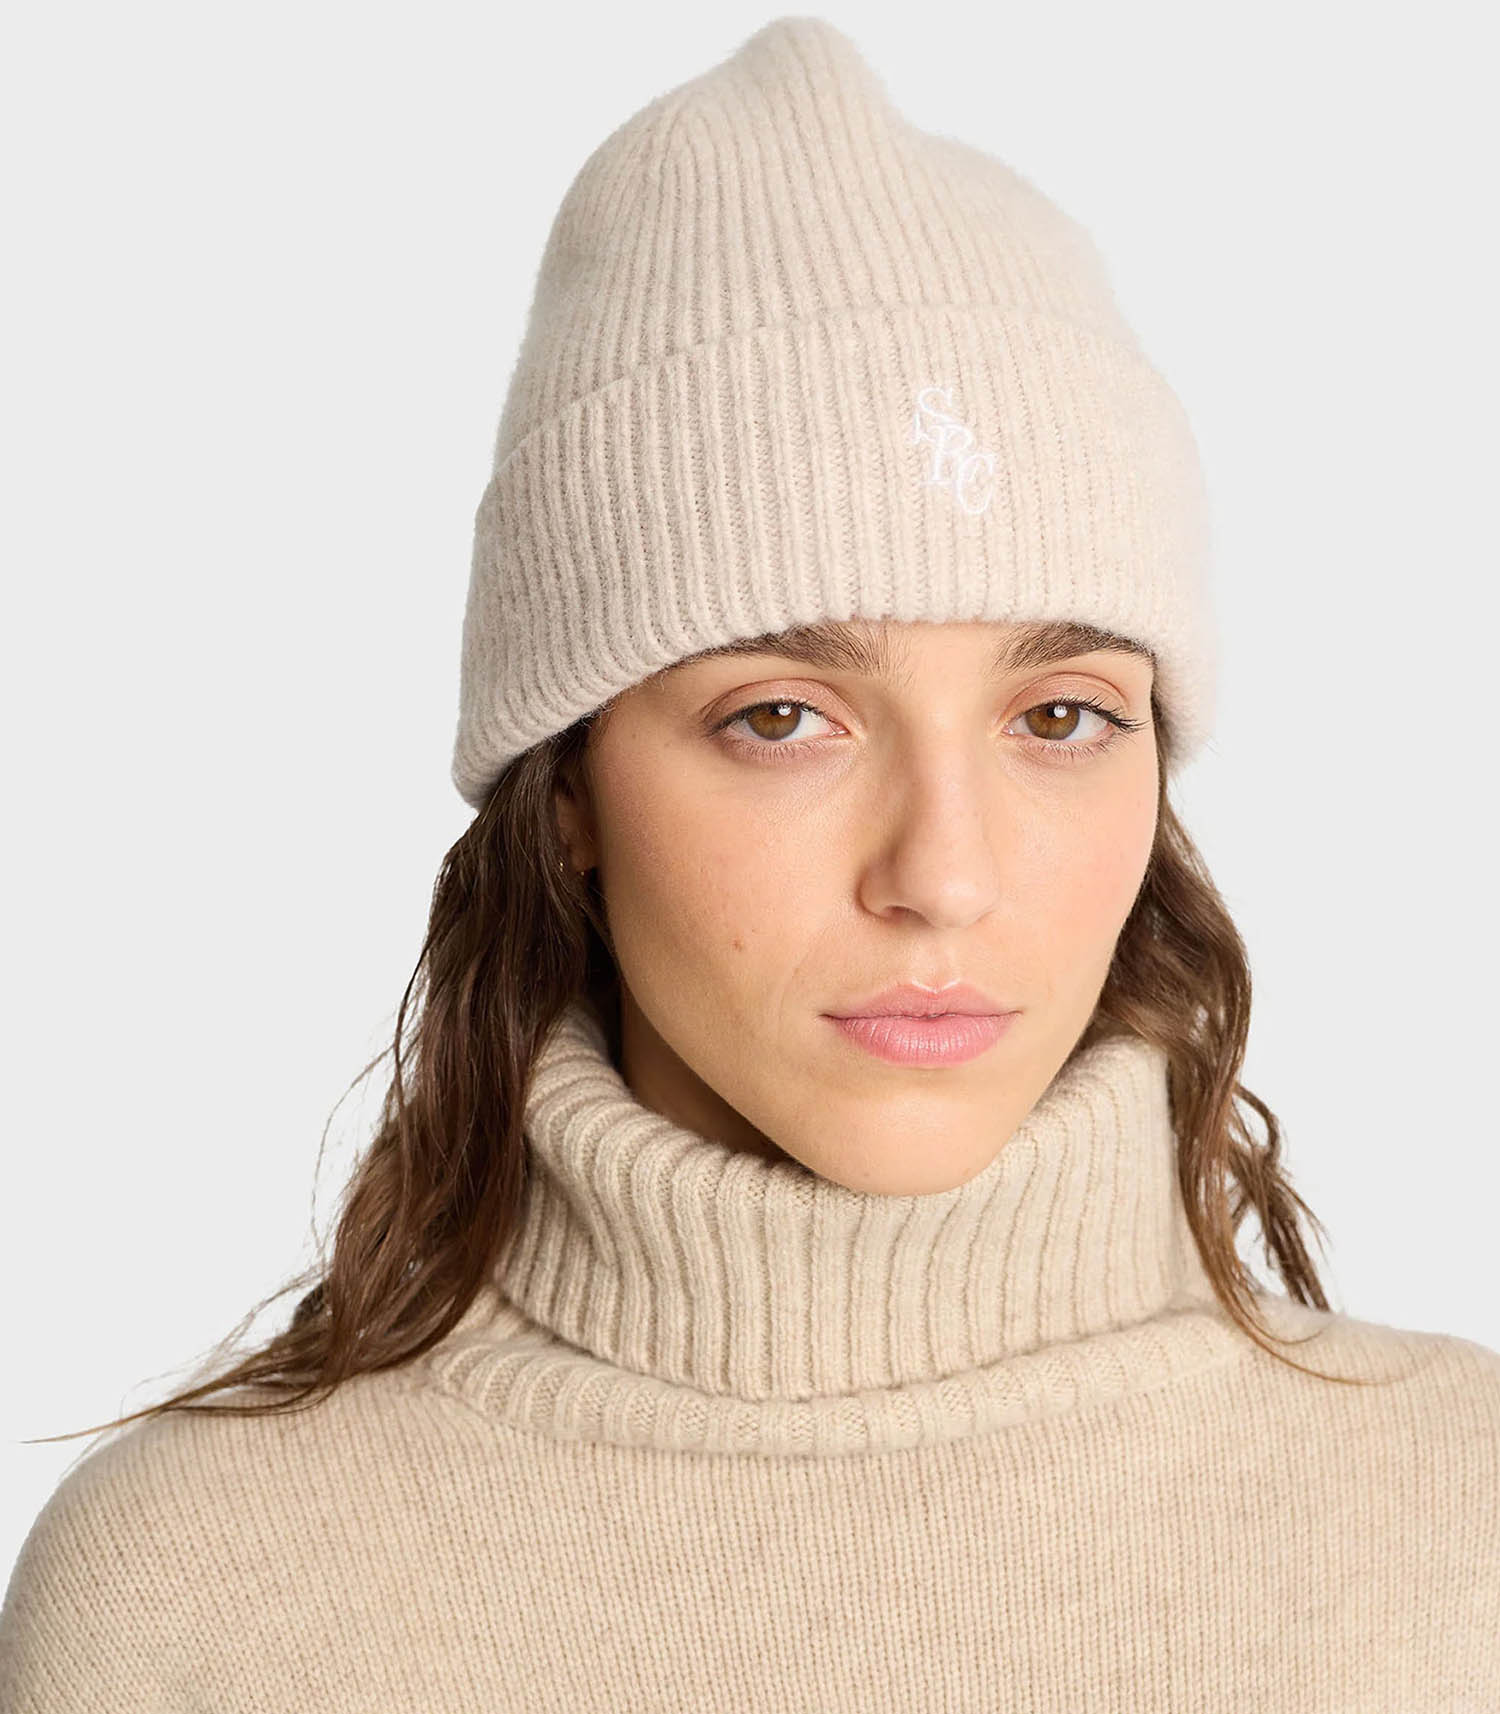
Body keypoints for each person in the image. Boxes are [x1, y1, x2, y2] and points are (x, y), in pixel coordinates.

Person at [3, 15, 1497, 1711]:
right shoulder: (194, 1591)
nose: (944, 873)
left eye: (1060, 716)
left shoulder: (1458, 1529)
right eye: (784, 717)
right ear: (569, 787)